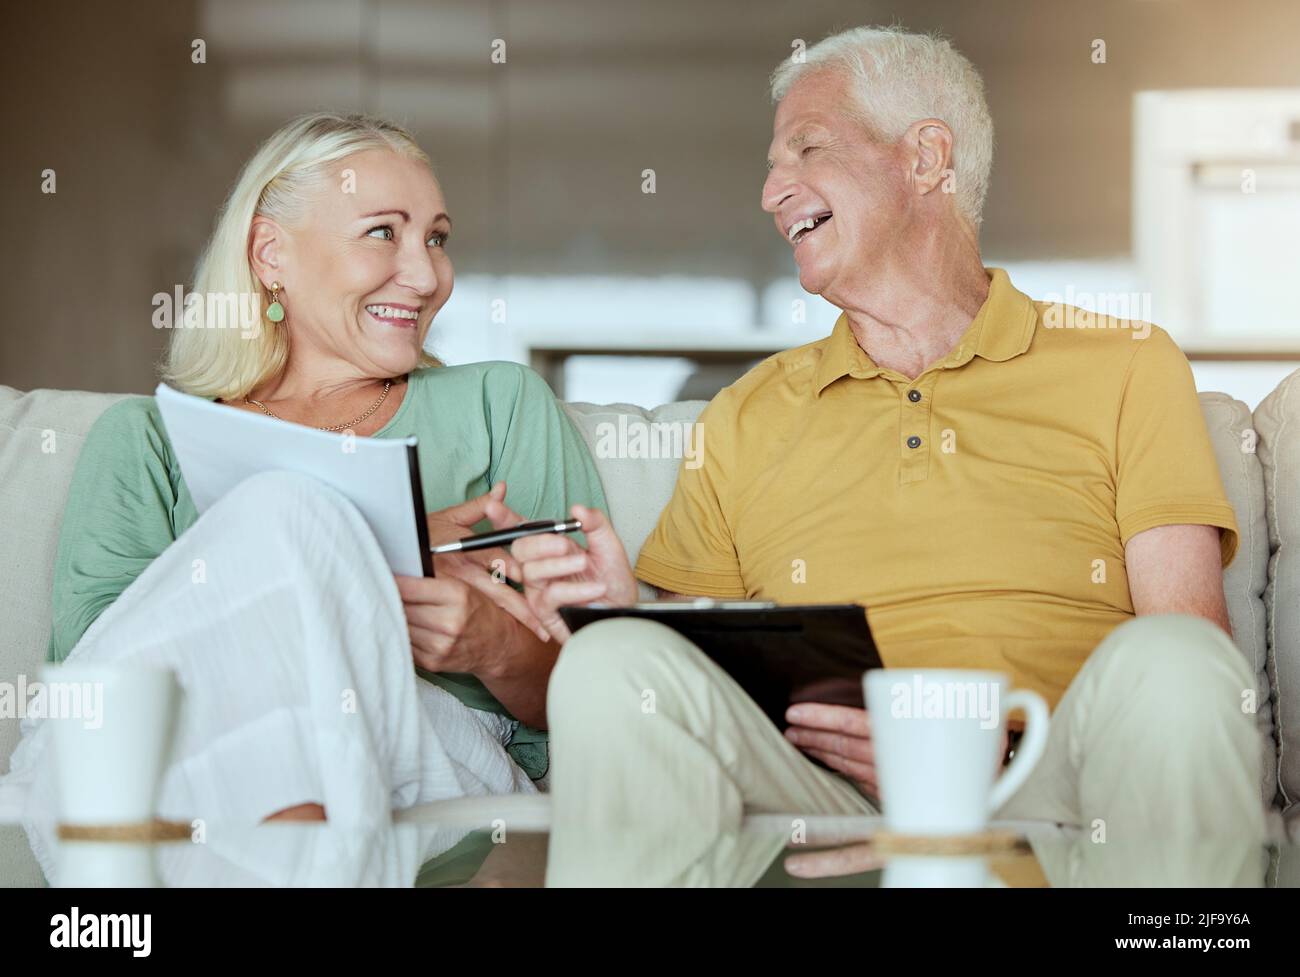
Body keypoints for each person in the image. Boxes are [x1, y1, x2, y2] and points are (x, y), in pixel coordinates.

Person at [498, 26, 1269, 861]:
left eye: (808, 148)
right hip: (816, 793)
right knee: (617, 661)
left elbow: (1192, 649)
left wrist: (978, 751)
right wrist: (626, 621)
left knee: (1179, 661)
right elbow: (699, 675)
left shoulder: (1124, 364)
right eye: (773, 163)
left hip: (1056, 787)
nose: (771, 191)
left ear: (926, 158)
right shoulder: (745, 414)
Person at [3, 112, 607, 878]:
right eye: (383, 232)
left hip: (418, 746)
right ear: (271, 254)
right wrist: (371, 554)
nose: (427, 275)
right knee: (281, 521)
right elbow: (103, 693)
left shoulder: (500, 406)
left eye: (436, 238)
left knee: (286, 512)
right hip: (162, 747)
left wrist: (492, 643)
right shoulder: (143, 440)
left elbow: (606, 698)